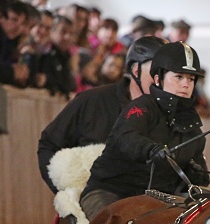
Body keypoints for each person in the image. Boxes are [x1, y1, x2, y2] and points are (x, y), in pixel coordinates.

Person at [80, 41, 210, 221]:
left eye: (191, 79)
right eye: (179, 77)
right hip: (110, 192)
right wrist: (150, 149)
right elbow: (126, 137)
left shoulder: (193, 126)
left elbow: (200, 179)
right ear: (158, 79)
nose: (186, 85)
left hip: (158, 200)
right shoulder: (141, 107)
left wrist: (196, 174)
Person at [37, 35, 167, 194]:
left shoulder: (173, 112)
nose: (162, 79)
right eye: (156, 71)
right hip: (95, 204)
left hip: (151, 206)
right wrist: (68, 194)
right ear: (136, 70)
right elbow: (49, 144)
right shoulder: (91, 101)